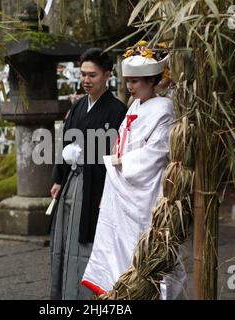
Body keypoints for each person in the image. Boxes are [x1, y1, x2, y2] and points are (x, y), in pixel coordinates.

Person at [81, 44, 187, 299]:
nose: (130, 87)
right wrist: (120, 161)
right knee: (116, 239)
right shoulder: (134, 106)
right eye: (128, 81)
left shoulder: (164, 108)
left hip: (144, 186)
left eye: (136, 81)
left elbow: (158, 150)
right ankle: (121, 290)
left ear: (153, 80)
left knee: (143, 241)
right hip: (122, 183)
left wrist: (125, 162)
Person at [50, 48, 127, 300]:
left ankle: (86, 296)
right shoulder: (78, 106)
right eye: (83, 74)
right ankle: (63, 296)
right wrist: (58, 178)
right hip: (72, 180)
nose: (86, 80)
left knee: (88, 241)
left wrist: (87, 155)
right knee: (65, 239)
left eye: (92, 75)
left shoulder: (117, 110)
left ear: (107, 75)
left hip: (97, 185)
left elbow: (117, 153)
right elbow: (65, 143)